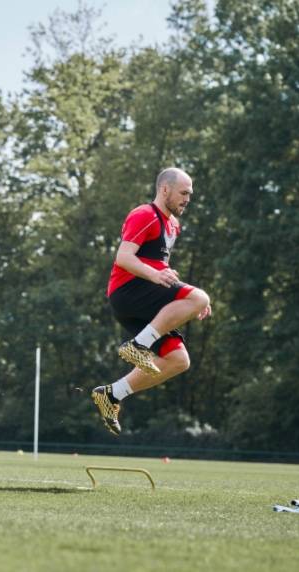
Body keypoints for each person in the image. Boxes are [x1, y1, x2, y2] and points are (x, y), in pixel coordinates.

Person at [92, 168, 211, 435]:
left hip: (144, 301)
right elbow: (123, 257)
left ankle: (111, 395)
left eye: (190, 194)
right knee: (200, 297)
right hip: (128, 292)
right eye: (183, 193)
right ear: (164, 189)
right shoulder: (145, 214)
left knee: (179, 360)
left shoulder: (173, 224)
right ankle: (138, 345)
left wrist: (187, 294)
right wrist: (189, 294)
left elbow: (156, 263)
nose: (187, 199)